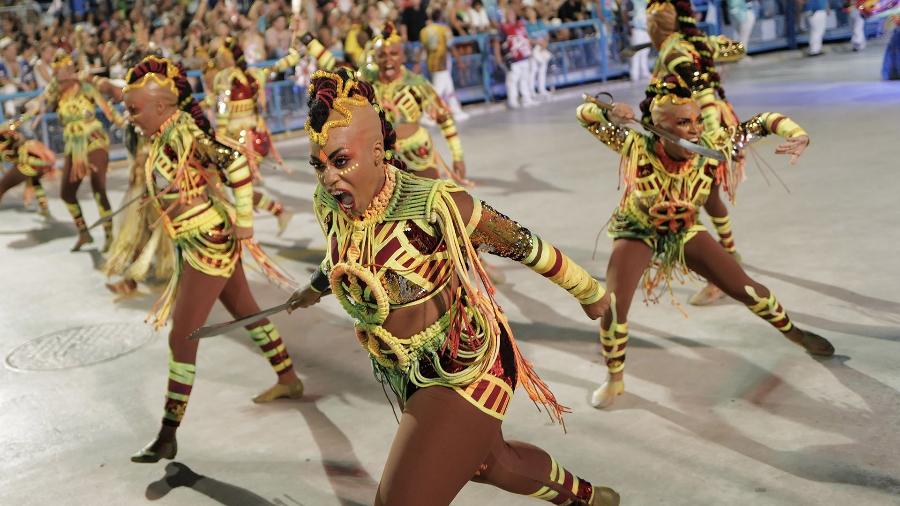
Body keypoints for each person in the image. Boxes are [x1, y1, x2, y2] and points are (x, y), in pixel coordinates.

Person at [289, 67, 620, 506]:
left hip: (465, 363)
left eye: (340, 160)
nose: (328, 178)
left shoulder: (435, 206)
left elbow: (523, 244)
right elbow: (342, 256)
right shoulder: (329, 204)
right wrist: (314, 288)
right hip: (410, 370)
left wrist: (588, 291)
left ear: (376, 151)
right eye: (319, 165)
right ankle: (589, 498)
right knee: (493, 464)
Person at [575, 78, 835, 409]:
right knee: (613, 305)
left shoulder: (715, 143)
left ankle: (794, 332)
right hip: (637, 231)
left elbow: (764, 122)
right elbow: (584, 115)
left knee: (750, 290)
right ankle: (614, 379)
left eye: (697, 120)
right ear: (659, 125)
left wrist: (796, 134)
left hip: (685, 230)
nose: (695, 129)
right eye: (683, 122)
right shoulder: (633, 144)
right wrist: (608, 114)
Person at [122, 56, 304, 463]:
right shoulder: (168, 133)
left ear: (161, 107)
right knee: (247, 311)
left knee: (181, 335)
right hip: (201, 238)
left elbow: (236, 162)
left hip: (209, 242)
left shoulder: (181, 132)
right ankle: (289, 378)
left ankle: (168, 434)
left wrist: (245, 222)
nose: (129, 117)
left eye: (134, 110)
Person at [647, 0, 747, 305]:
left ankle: (719, 271)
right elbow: (738, 50)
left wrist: (712, 133)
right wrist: (711, 46)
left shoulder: (672, 51)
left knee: (692, 198)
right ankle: (728, 253)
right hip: (706, 125)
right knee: (708, 197)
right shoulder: (694, 43)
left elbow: (700, 86)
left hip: (698, 130)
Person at [26, 51, 122, 252]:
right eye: (59, 71)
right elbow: (39, 103)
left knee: (98, 187)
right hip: (73, 147)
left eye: (66, 69)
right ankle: (84, 233)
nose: (63, 74)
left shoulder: (86, 87)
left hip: (93, 140)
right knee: (66, 193)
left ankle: (110, 235)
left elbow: (109, 112)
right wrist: (34, 108)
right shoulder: (56, 96)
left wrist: (125, 123)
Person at [205, 36, 299, 235]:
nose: (218, 59)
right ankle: (277, 211)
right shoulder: (254, 74)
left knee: (237, 185)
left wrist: (218, 137)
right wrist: (293, 56)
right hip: (258, 138)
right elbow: (274, 68)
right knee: (238, 185)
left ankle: (248, 230)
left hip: (239, 142)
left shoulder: (225, 77)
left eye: (221, 55)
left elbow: (222, 107)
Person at [420, 8, 469, 120]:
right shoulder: (444, 29)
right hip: (442, 63)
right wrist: (460, 61)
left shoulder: (425, 31)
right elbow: (450, 47)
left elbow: (424, 49)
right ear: (441, 17)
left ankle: (456, 111)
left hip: (432, 63)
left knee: (448, 88)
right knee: (437, 91)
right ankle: (427, 115)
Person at [0, 118, 55, 218]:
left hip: (26, 166)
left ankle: (44, 208)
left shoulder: (12, 135)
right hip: (34, 167)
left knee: (1, 187)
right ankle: (44, 208)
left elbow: (15, 125)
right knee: (36, 183)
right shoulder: (9, 139)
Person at [494, 8, 536, 109]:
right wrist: (498, 56)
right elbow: (496, 42)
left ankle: (526, 98)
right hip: (512, 58)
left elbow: (526, 38)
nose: (511, 16)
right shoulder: (503, 27)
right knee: (512, 80)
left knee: (524, 79)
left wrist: (531, 48)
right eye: (509, 14)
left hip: (524, 56)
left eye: (513, 13)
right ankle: (513, 101)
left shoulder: (520, 25)